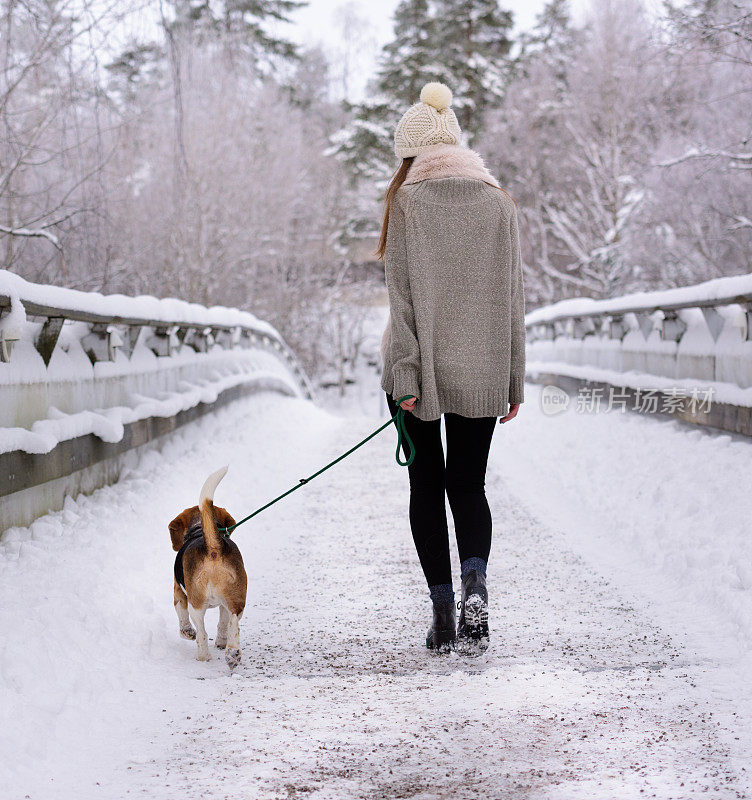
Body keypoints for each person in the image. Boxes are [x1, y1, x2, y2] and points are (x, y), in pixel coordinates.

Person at [378, 81, 525, 655]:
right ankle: (475, 586)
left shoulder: (407, 204)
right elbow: (513, 298)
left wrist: (408, 376)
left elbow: (403, 300)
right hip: (485, 368)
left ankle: (442, 607)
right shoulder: (498, 202)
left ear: (410, 155)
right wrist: (513, 378)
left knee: (426, 485)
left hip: (420, 372)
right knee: (468, 483)